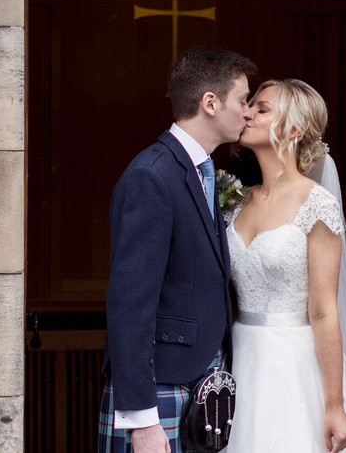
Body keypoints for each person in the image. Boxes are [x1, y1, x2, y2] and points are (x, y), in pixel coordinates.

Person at [98, 46, 257, 453]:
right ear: (210, 103)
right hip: (159, 390)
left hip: (197, 385)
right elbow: (129, 303)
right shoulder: (152, 177)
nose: (247, 112)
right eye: (242, 100)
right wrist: (142, 421)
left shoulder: (199, 172)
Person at [224, 79, 346, 452]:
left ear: (293, 129)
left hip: (295, 366)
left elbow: (324, 311)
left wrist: (333, 404)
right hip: (238, 359)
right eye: (250, 105)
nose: (248, 112)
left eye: (262, 109)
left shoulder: (317, 205)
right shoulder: (235, 201)